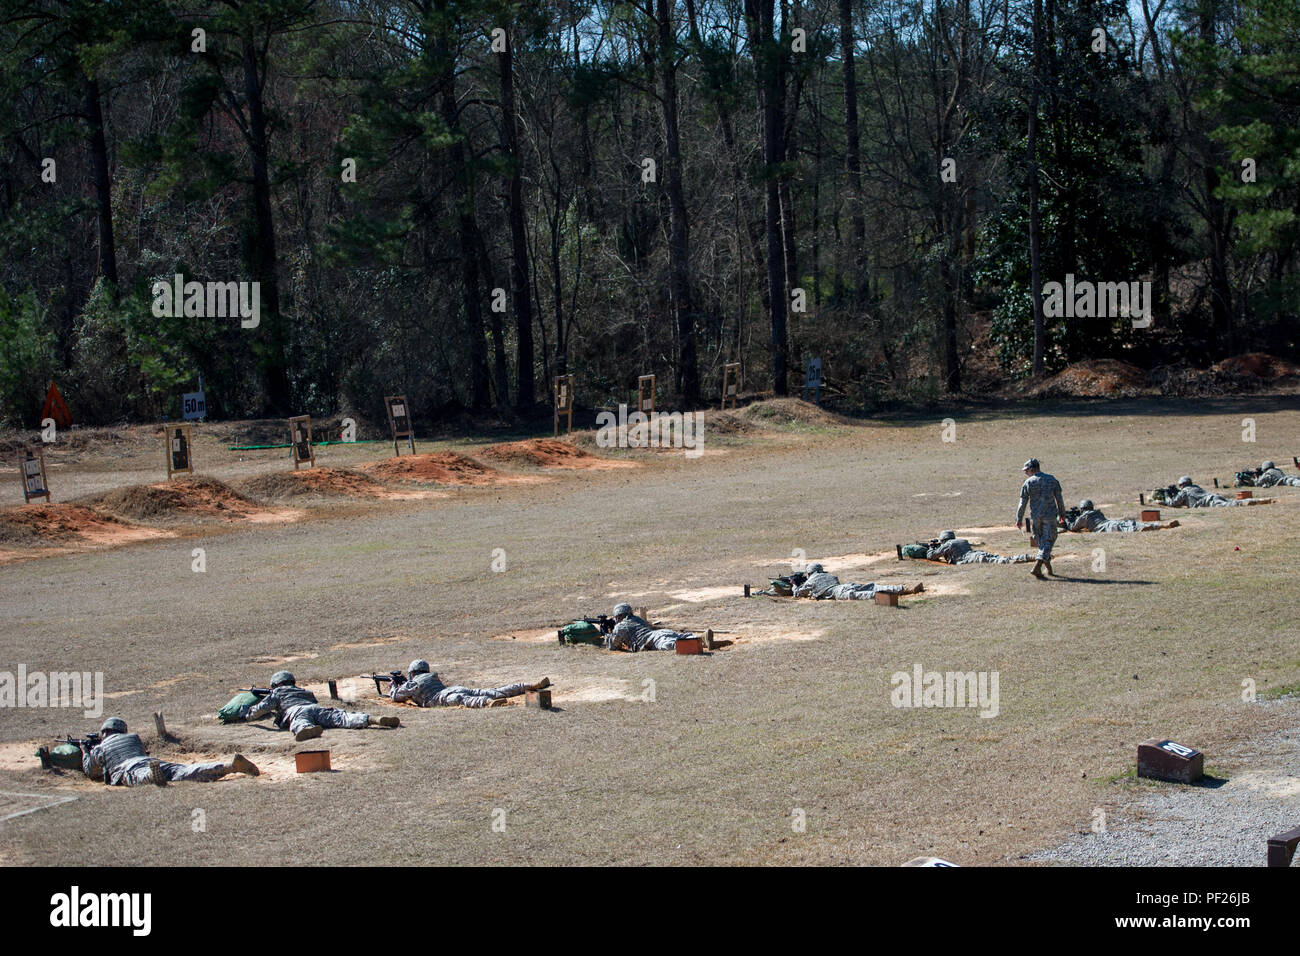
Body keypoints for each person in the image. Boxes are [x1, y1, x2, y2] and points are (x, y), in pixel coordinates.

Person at [81, 717, 259, 787]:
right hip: (148, 760)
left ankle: (153, 777)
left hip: (129, 768)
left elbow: (91, 771)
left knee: (141, 777)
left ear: (104, 732)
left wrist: (85, 751)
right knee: (185, 771)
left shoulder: (100, 748)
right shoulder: (133, 737)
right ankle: (229, 766)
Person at [245, 670, 400, 742]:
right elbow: (314, 703)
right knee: (341, 717)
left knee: (300, 722)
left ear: (276, 684)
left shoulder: (278, 692)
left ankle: (305, 730)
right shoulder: (306, 691)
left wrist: (248, 715)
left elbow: (261, 708)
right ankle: (371, 719)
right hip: (315, 708)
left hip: (296, 710)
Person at [388, 660, 550, 708]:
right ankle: (528, 685)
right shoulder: (432, 676)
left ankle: (488, 703)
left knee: (463, 700)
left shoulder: (412, 683)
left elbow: (397, 696)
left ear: (412, 673)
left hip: (441, 698)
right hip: (453, 688)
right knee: (492, 690)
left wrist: (393, 686)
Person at [1016, 458, 1066, 579]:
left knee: (1042, 543)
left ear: (1032, 469)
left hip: (1036, 517)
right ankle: (1037, 567)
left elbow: (1022, 503)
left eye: (1026, 470)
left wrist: (1019, 519)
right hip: (1049, 516)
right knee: (1049, 540)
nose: (1025, 473)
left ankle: (1049, 569)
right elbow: (1059, 498)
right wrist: (1062, 514)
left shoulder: (1028, 482)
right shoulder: (1052, 480)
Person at [792, 564, 924, 600]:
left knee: (869, 594)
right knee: (873, 586)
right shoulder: (830, 576)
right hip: (847, 585)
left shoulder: (811, 580)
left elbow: (798, 594)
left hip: (840, 592)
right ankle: (903, 588)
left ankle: (888, 596)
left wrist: (794, 585)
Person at [605, 603, 699, 651]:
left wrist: (607, 635)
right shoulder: (638, 619)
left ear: (618, 616)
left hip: (653, 639)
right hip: (661, 632)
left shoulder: (620, 627)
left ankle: (694, 643)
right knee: (682, 637)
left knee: (671, 645)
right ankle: (700, 639)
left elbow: (613, 646)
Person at [921, 530, 1031, 564]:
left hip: (972, 559)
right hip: (977, 554)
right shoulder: (962, 540)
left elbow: (931, 556)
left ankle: (1026, 558)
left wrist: (931, 547)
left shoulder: (948, 544)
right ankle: (1027, 557)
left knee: (1002, 561)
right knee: (1001, 558)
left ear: (944, 539)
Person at [1067, 500, 1178, 532]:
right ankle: (1159, 525)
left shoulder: (1083, 517)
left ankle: (1143, 529)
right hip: (1111, 522)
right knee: (1131, 523)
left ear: (1082, 508)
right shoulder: (1097, 512)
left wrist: (1067, 520)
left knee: (1128, 528)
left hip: (1106, 528)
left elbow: (1073, 527)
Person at [1167, 476, 1273, 509]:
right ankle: (1257, 501)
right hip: (1214, 497)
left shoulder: (1185, 491)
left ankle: (1254, 502)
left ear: (1182, 485)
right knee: (1233, 502)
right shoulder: (1195, 487)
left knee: (1233, 505)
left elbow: (1173, 503)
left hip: (1209, 502)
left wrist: (1167, 496)